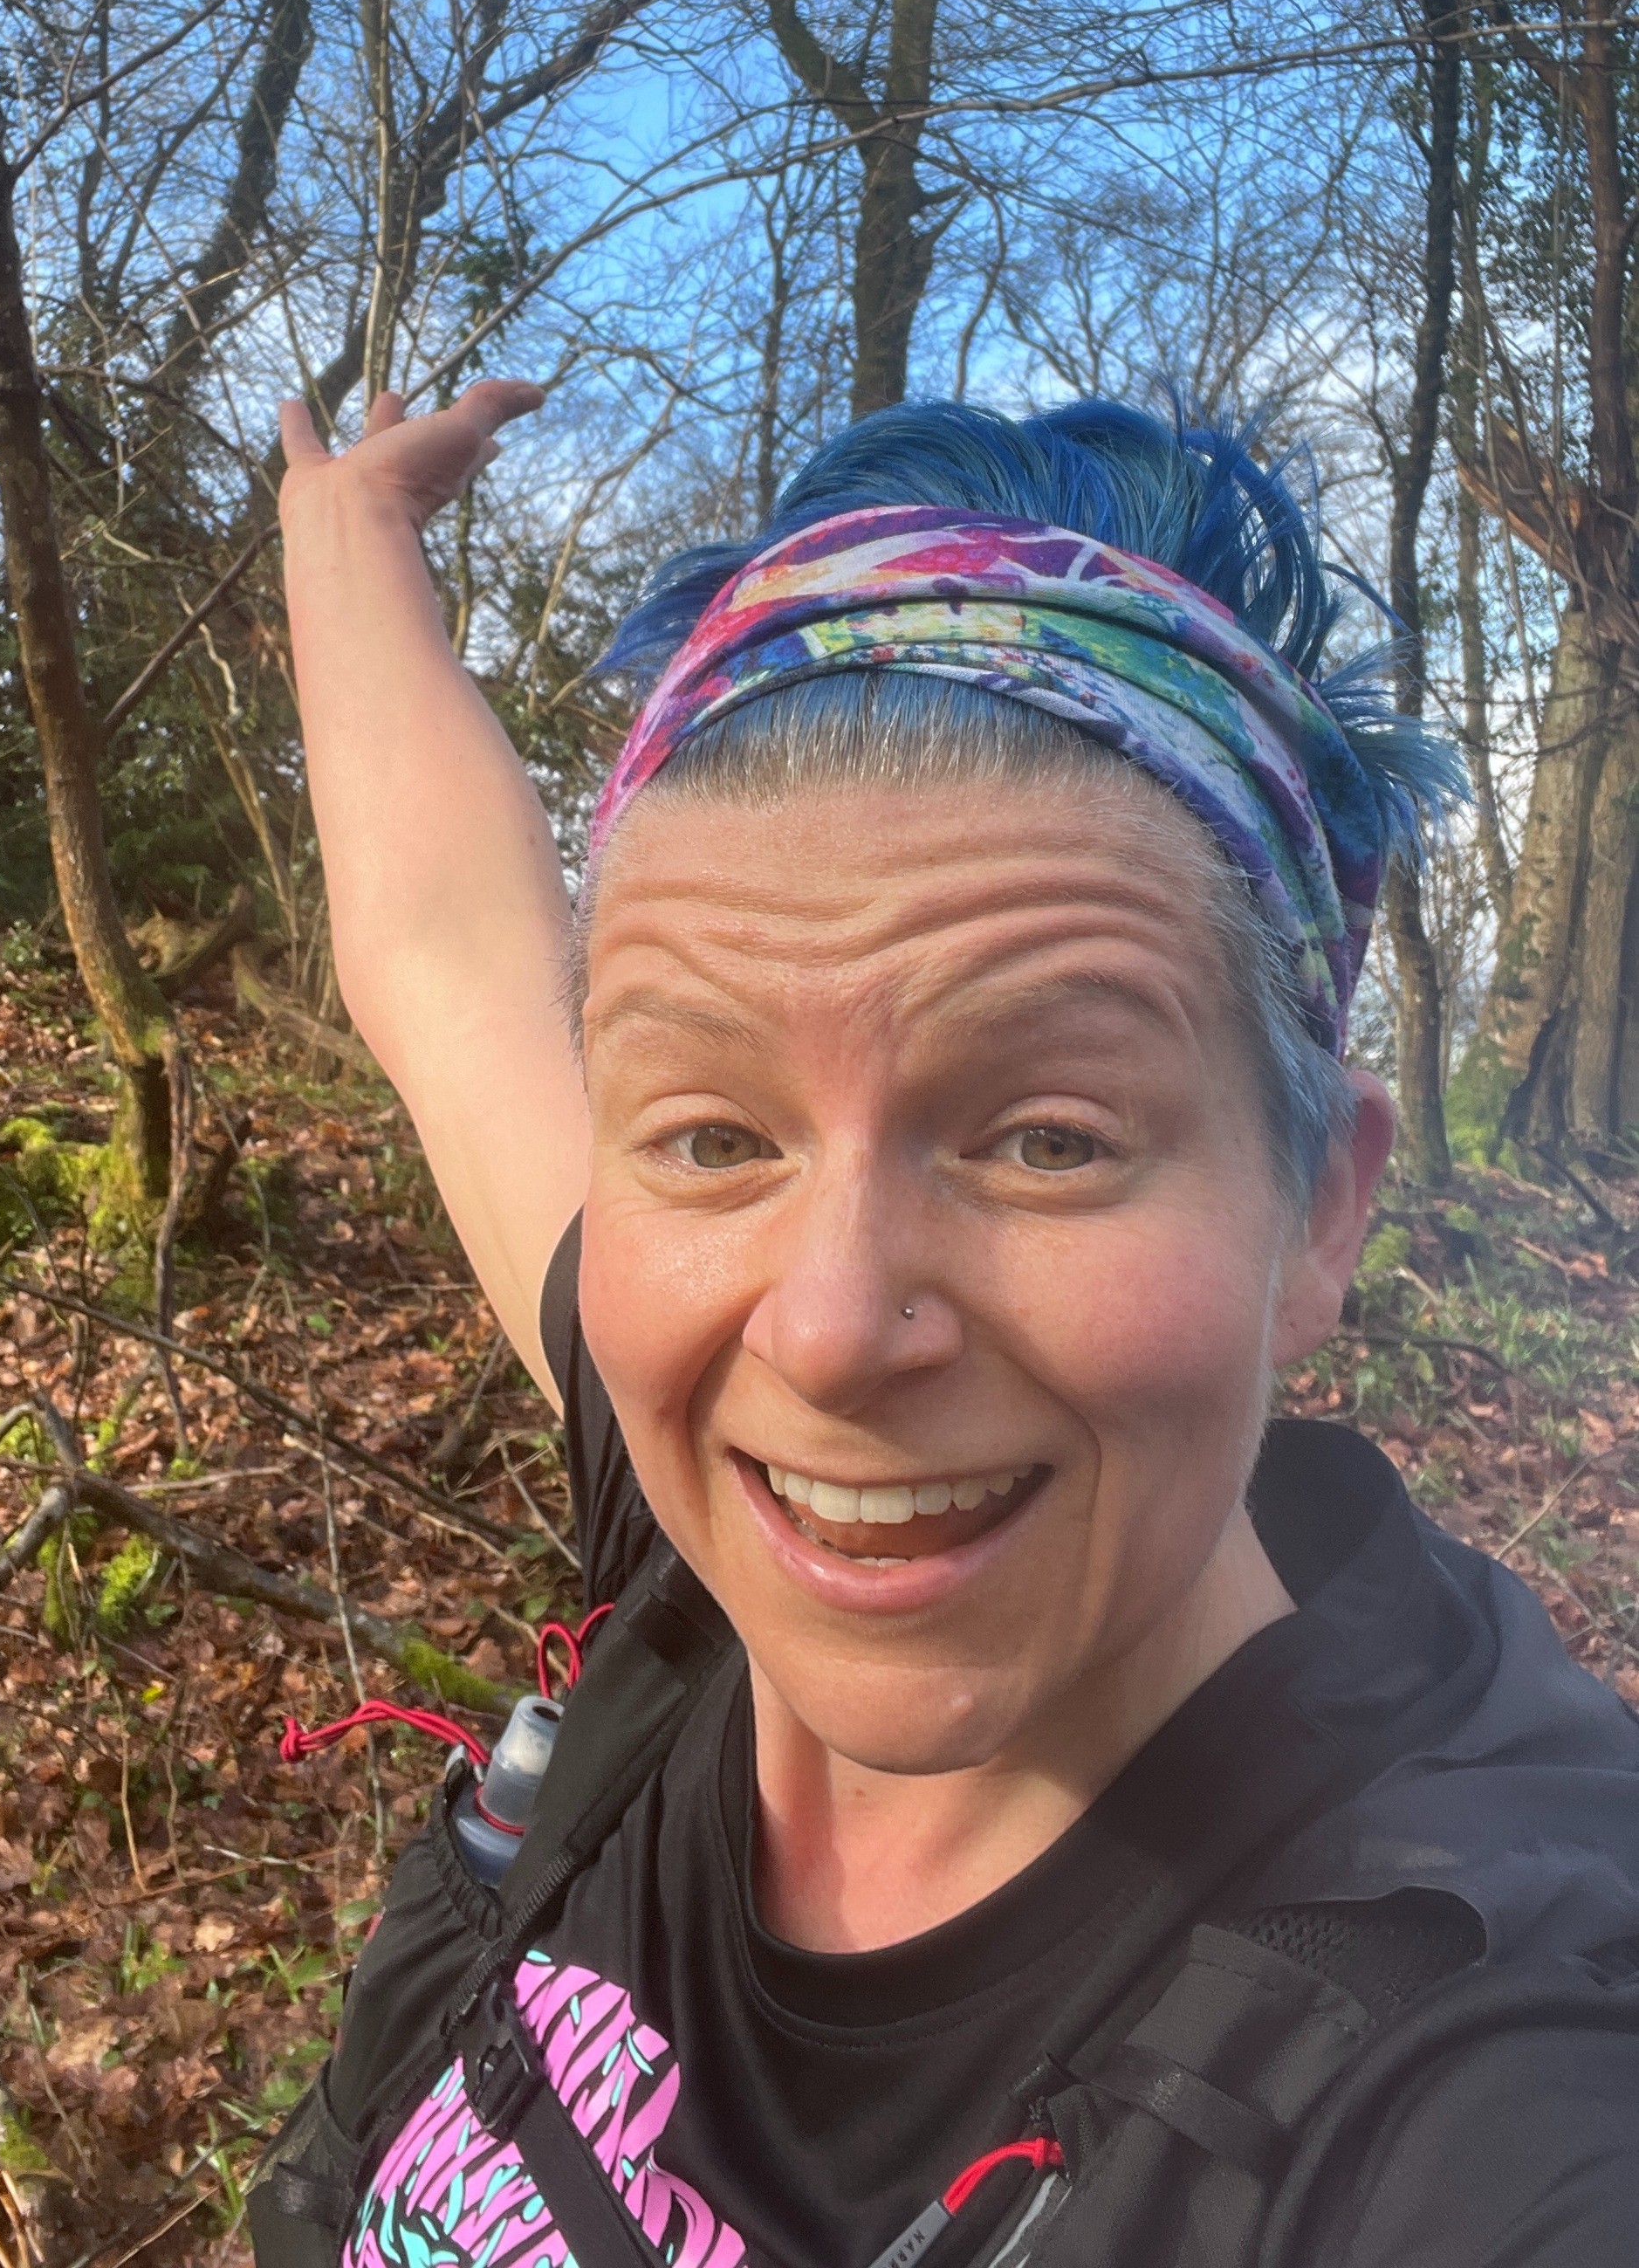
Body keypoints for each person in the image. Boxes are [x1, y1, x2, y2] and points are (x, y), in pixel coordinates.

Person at [252, 378, 1639, 2268]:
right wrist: (341, 530)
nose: (824, 1333)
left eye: (1047, 1137)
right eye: (716, 1132)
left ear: (1319, 1204)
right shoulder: (707, 1520)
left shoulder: (1483, 2070)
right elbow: (439, 946)